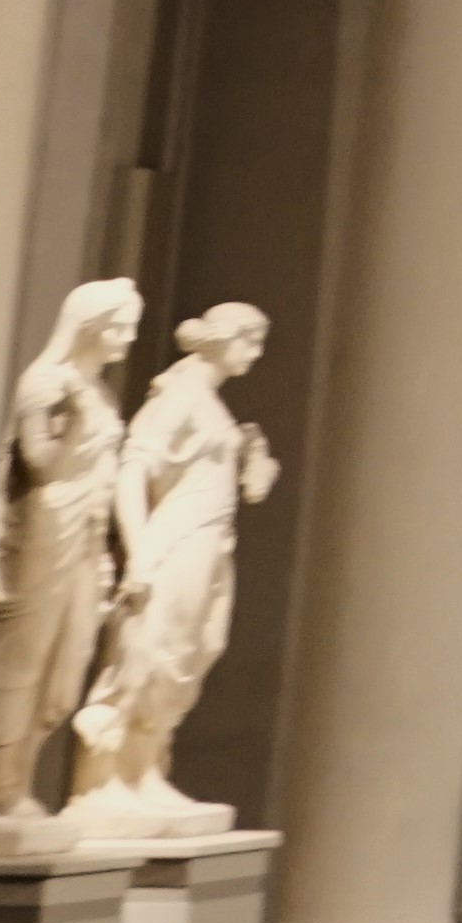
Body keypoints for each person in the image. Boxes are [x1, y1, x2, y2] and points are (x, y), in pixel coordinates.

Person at [72, 303, 276, 833]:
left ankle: (143, 771)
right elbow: (133, 470)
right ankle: (104, 782)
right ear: (223, 339)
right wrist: (139, 552)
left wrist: (253, 463)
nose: (256, 353)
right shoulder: (178, 394)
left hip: (212, 541)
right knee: (150, 649)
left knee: (195, 649)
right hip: (178, 538)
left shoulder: (209, 402)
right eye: (250, 340)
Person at [0, 280, 144, 835]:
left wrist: (104, 545)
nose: (129, 337)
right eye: (120, 326)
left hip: (83, 534)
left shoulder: (98, 392)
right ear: (89, 326)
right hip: (44, 530)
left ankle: (18, 778)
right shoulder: (45, 383)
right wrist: (75, 425)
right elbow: (38, 463)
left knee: (68, 657)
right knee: (21, 656)